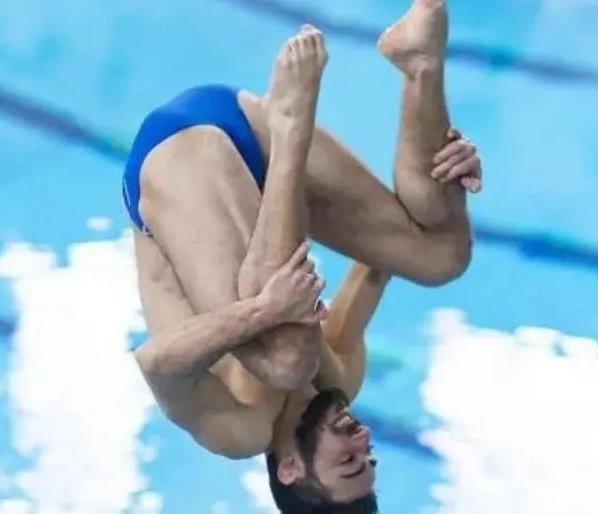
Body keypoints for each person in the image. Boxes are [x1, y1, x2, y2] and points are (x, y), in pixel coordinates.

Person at [126, 0, 474, 509]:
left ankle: (291, 123)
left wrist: (264, 312)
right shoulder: (342, 379)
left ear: (290, 470)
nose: (364, 442)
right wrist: (451, 179)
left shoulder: (238, 429)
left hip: (179, 159)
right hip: (251, 137)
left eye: (349, 462)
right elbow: (380, 264)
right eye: (369, 459)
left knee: (287, 359)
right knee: (440, 257)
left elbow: (155, 362)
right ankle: (418, 62)